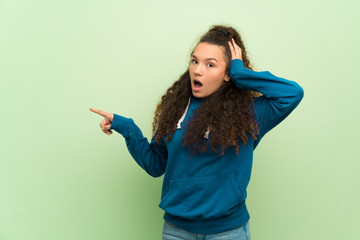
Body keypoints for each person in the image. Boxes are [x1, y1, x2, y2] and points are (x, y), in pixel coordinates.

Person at [90, 25, 304, 240]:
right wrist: (127, 128)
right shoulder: (175, 110)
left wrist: (240, 73)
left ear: (228, 73)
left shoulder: (251, 113)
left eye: (210, 64)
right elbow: (155, 165)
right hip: (177, 231)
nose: (197, 70)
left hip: (228, 231)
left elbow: (292, 93)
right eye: (194, 61)